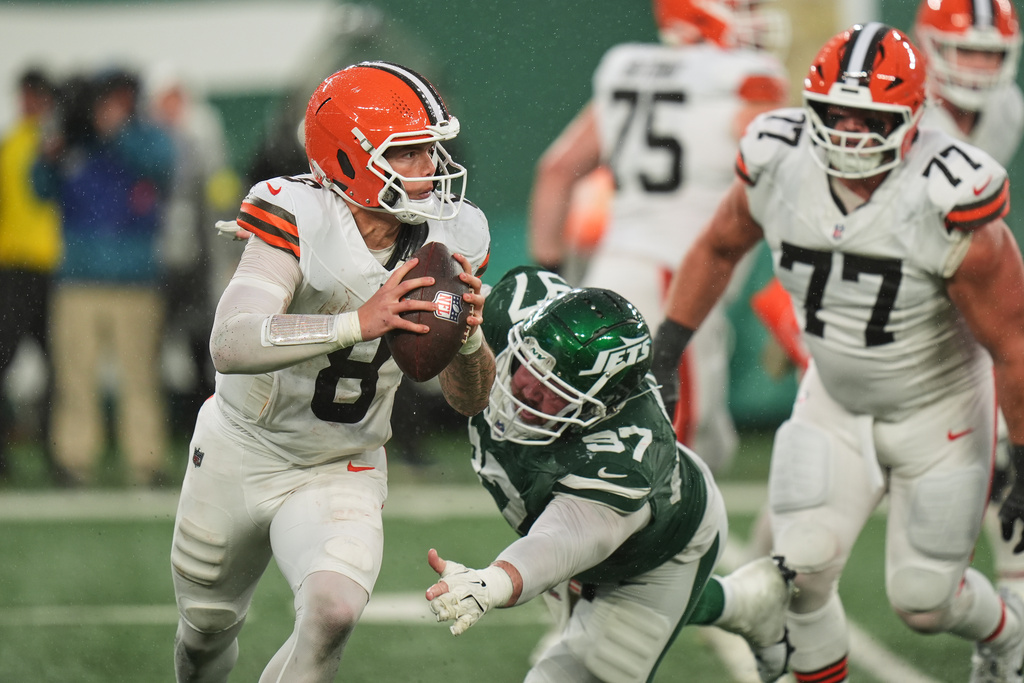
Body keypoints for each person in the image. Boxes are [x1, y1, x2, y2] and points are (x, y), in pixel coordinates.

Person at [650, 22, 1024, 682]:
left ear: (910, 119)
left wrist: (1021, 451)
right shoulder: (778, 162)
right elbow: (718, 245)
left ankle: (1010, 637)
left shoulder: (947, 197)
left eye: (868, 117)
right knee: (800, 572)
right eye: (833, 113)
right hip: (833, 395)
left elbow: (1013, 344)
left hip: (937, 409)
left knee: (926, 599)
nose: (848, 132)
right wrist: (669, 344)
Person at [169, 61, 494, 683]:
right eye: (411, 152)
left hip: (343, 460)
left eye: (433, 148)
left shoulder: (457, 232)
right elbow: (230, 342)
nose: (433, 167)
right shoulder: (295, 212)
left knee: (333, 611)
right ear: (348, 159)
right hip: (243, 446)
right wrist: (355, 323)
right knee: (204, 636)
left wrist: (471, 339)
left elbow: (469, 400)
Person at [424, 265, 796, 683]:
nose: (527, 389)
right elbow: (449, 304)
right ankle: (747, 600)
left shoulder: (626, 455)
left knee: (587, 666)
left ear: (596, 409)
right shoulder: (514, 306)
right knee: (587, 610)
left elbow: (561, 540)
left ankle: (745, 603)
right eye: (528, 364)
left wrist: (492, 582)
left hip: (657, 549)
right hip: (555, 509)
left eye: (555, 393)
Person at [528, 0, 790, 473]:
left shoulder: (628, 68)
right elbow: (789, 176)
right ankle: (660, 543)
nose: (754, 13)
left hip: (611, 274)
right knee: (682, 446)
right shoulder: (745, 78)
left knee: (605, 430)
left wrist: (548, 279)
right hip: (682, 281)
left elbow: (556, 170)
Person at [915, 0, 1024, 607]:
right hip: (878, 302)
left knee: (1003, 442)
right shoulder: (905, 111)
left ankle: (1015, 593)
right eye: (967, 49)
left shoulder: (1005, 109)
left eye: (992, 52)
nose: (979, 68)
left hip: (954, 288)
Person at [33, 68, 176, 487]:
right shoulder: (73, 143)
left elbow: (165, 168)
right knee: (75, 377)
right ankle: (74, 461)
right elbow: (40, 189)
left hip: (136, 280)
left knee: (140, 377)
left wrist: (119, 133)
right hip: (78, 281)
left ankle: (145, 462)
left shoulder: (148, 137)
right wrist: (50, 153)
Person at [0, 68, 62, 482]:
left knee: (60, 366)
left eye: (37, 96)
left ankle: (58, 454)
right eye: (26, 95)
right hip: (13, 269)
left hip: (53, 269)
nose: (30, 103)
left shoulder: (58, 143)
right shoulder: (12, 144)